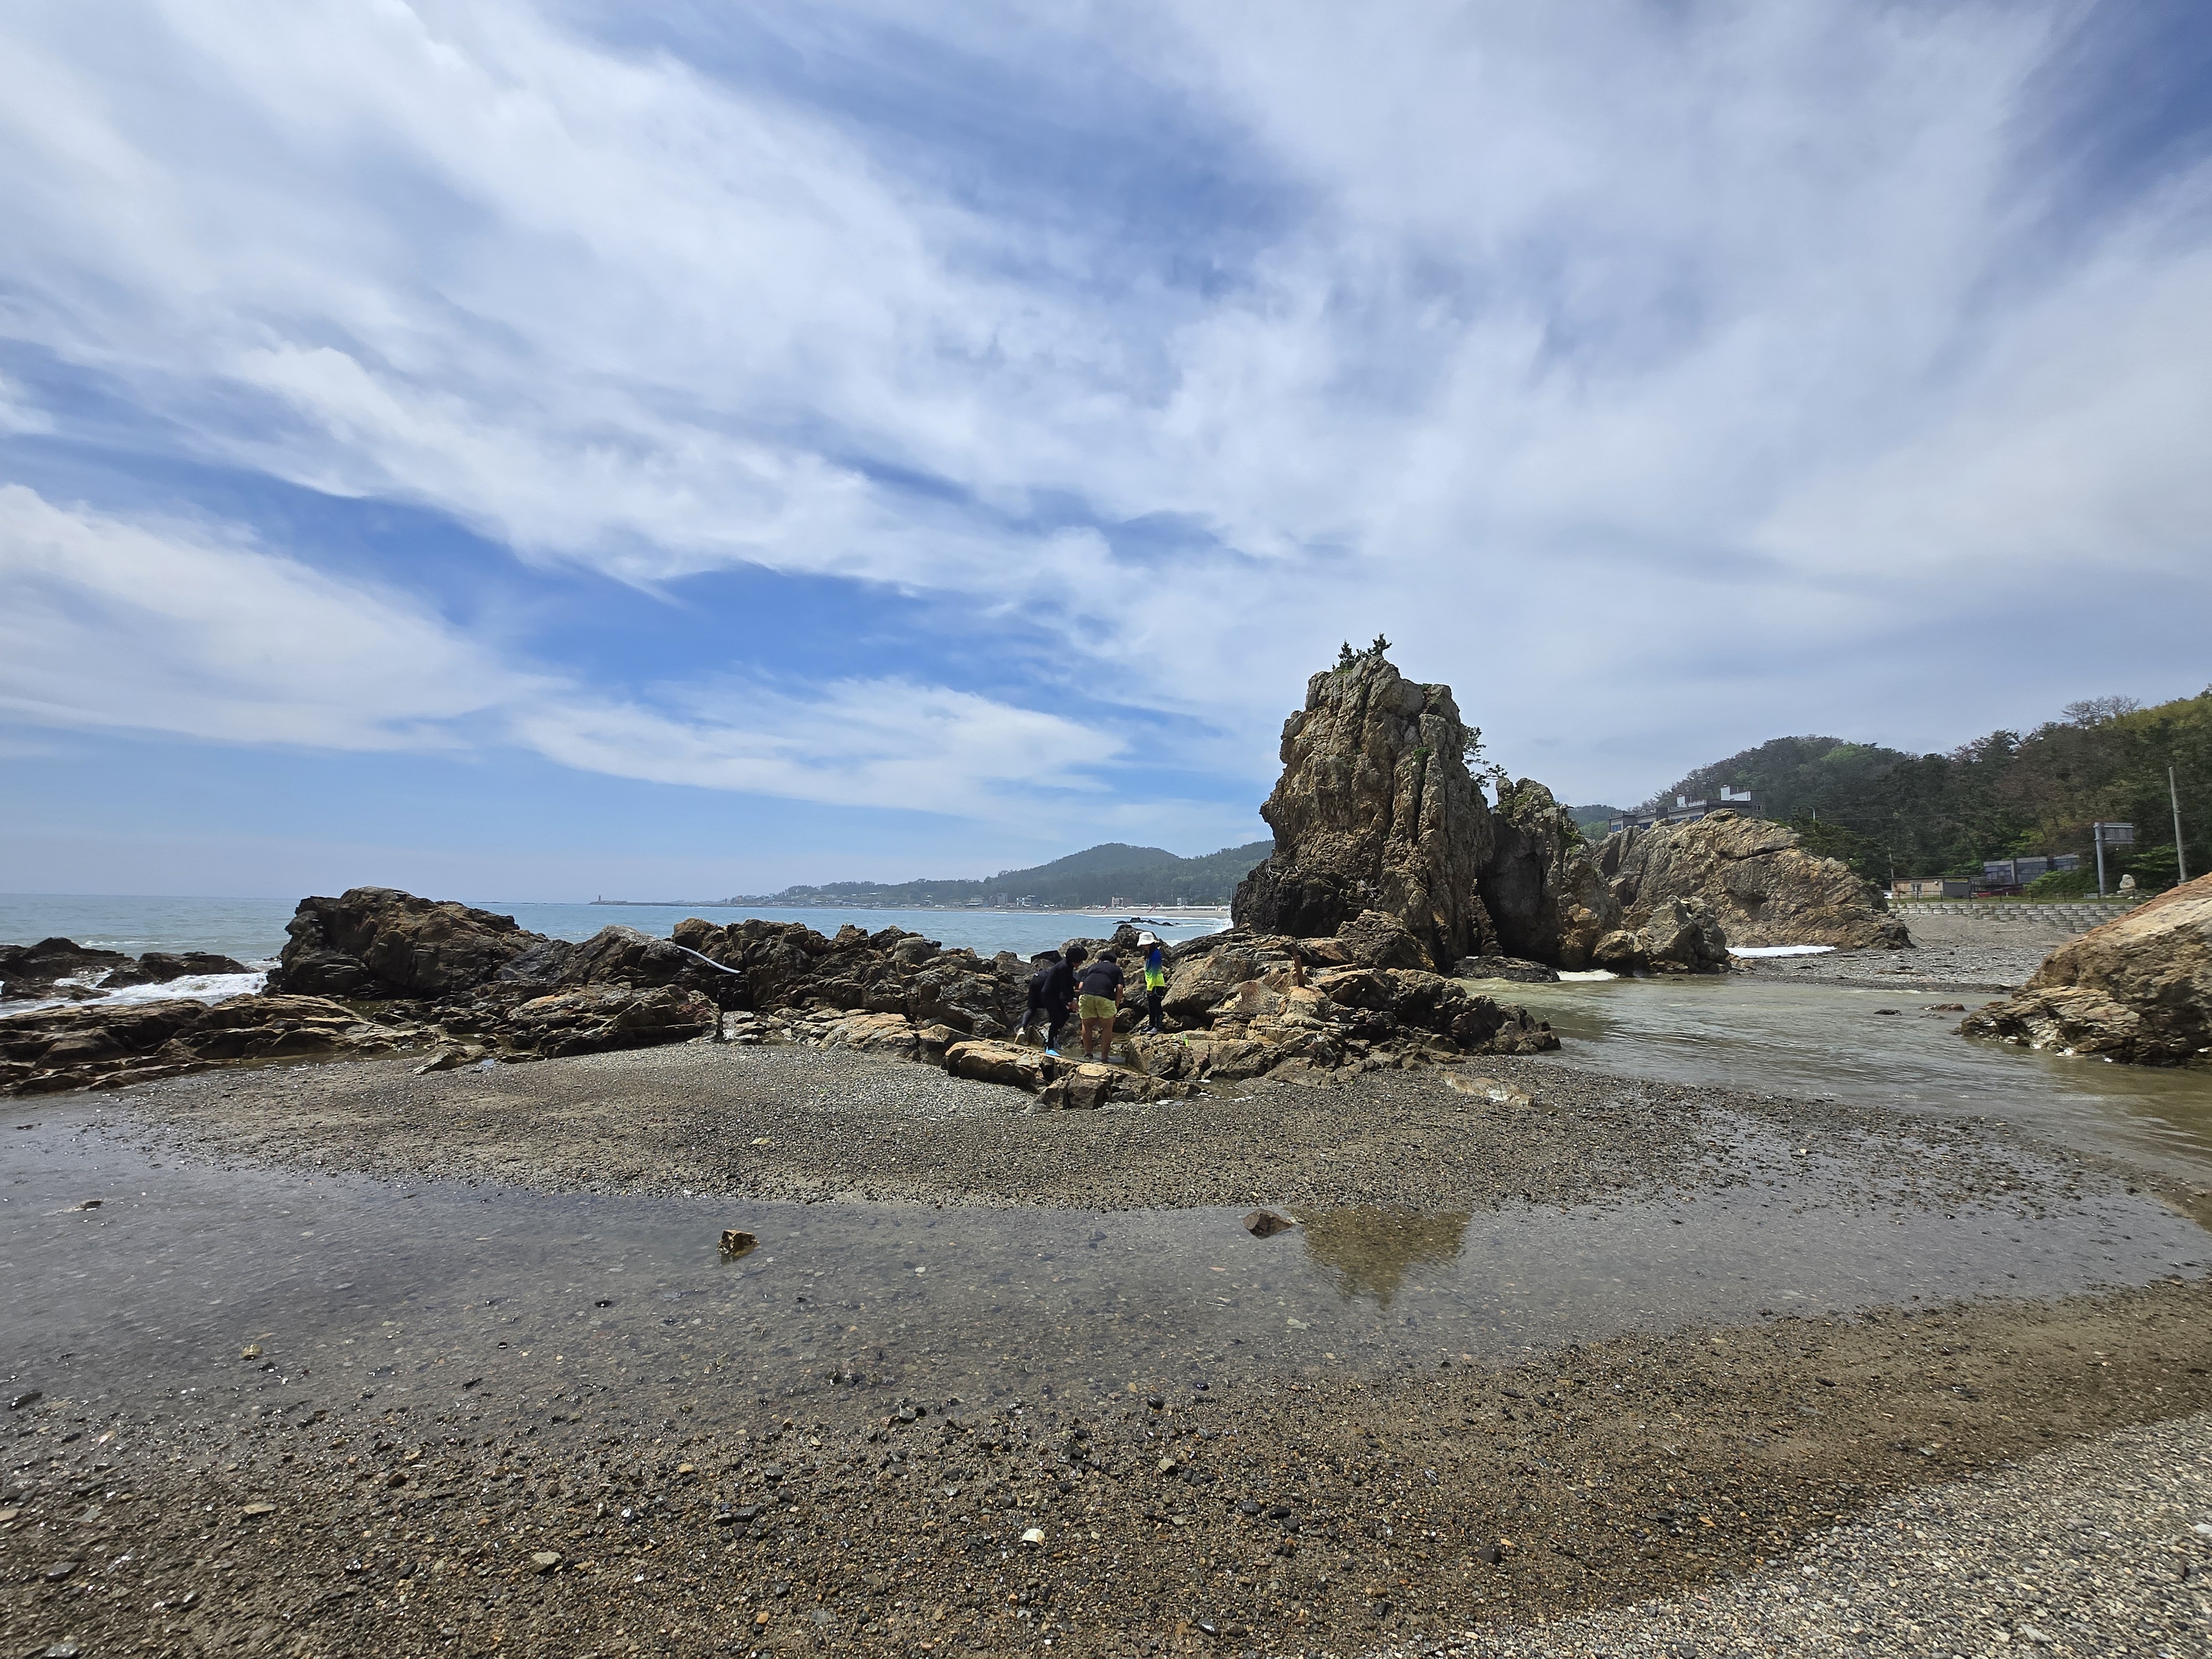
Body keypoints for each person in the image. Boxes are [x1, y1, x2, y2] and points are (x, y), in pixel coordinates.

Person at [1021, 944, 1084, 1056]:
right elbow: (1064, 986)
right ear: (1075, 960)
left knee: (1065, 1015)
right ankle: (1049, 1047)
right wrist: (1071, 1001)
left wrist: (1072, 999)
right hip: (1048, 995)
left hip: (1054, 995)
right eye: (1081, 961)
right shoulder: (1064, 968)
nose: (1081, 964)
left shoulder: (1068, 967)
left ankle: (1053, 1039)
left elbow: (1069, 985)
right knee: (1056, 1019)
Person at [1076, 949, 1124, 1063]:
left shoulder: (1092, 968)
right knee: (1107, 1028)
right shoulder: (1116, 969)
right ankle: (1104, 1058)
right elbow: (1119, 988)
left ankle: (1088, 1054)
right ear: (1114, 962)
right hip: (1105, 996)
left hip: (1086, 995)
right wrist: (1116, 1006)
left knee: (1087, 1026)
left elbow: (1081, 986)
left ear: (1100, 961)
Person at [1136, 931, 1168, 1034]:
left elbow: (1154, 972)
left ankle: (1159, 1026)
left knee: (1156, 1006)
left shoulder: (1156, 954)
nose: (1142, 946)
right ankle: (1151, 1025)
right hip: (1151, 984)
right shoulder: (1150, 953)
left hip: (1156, 984)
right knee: (1151, 1006)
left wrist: (1150, 987)